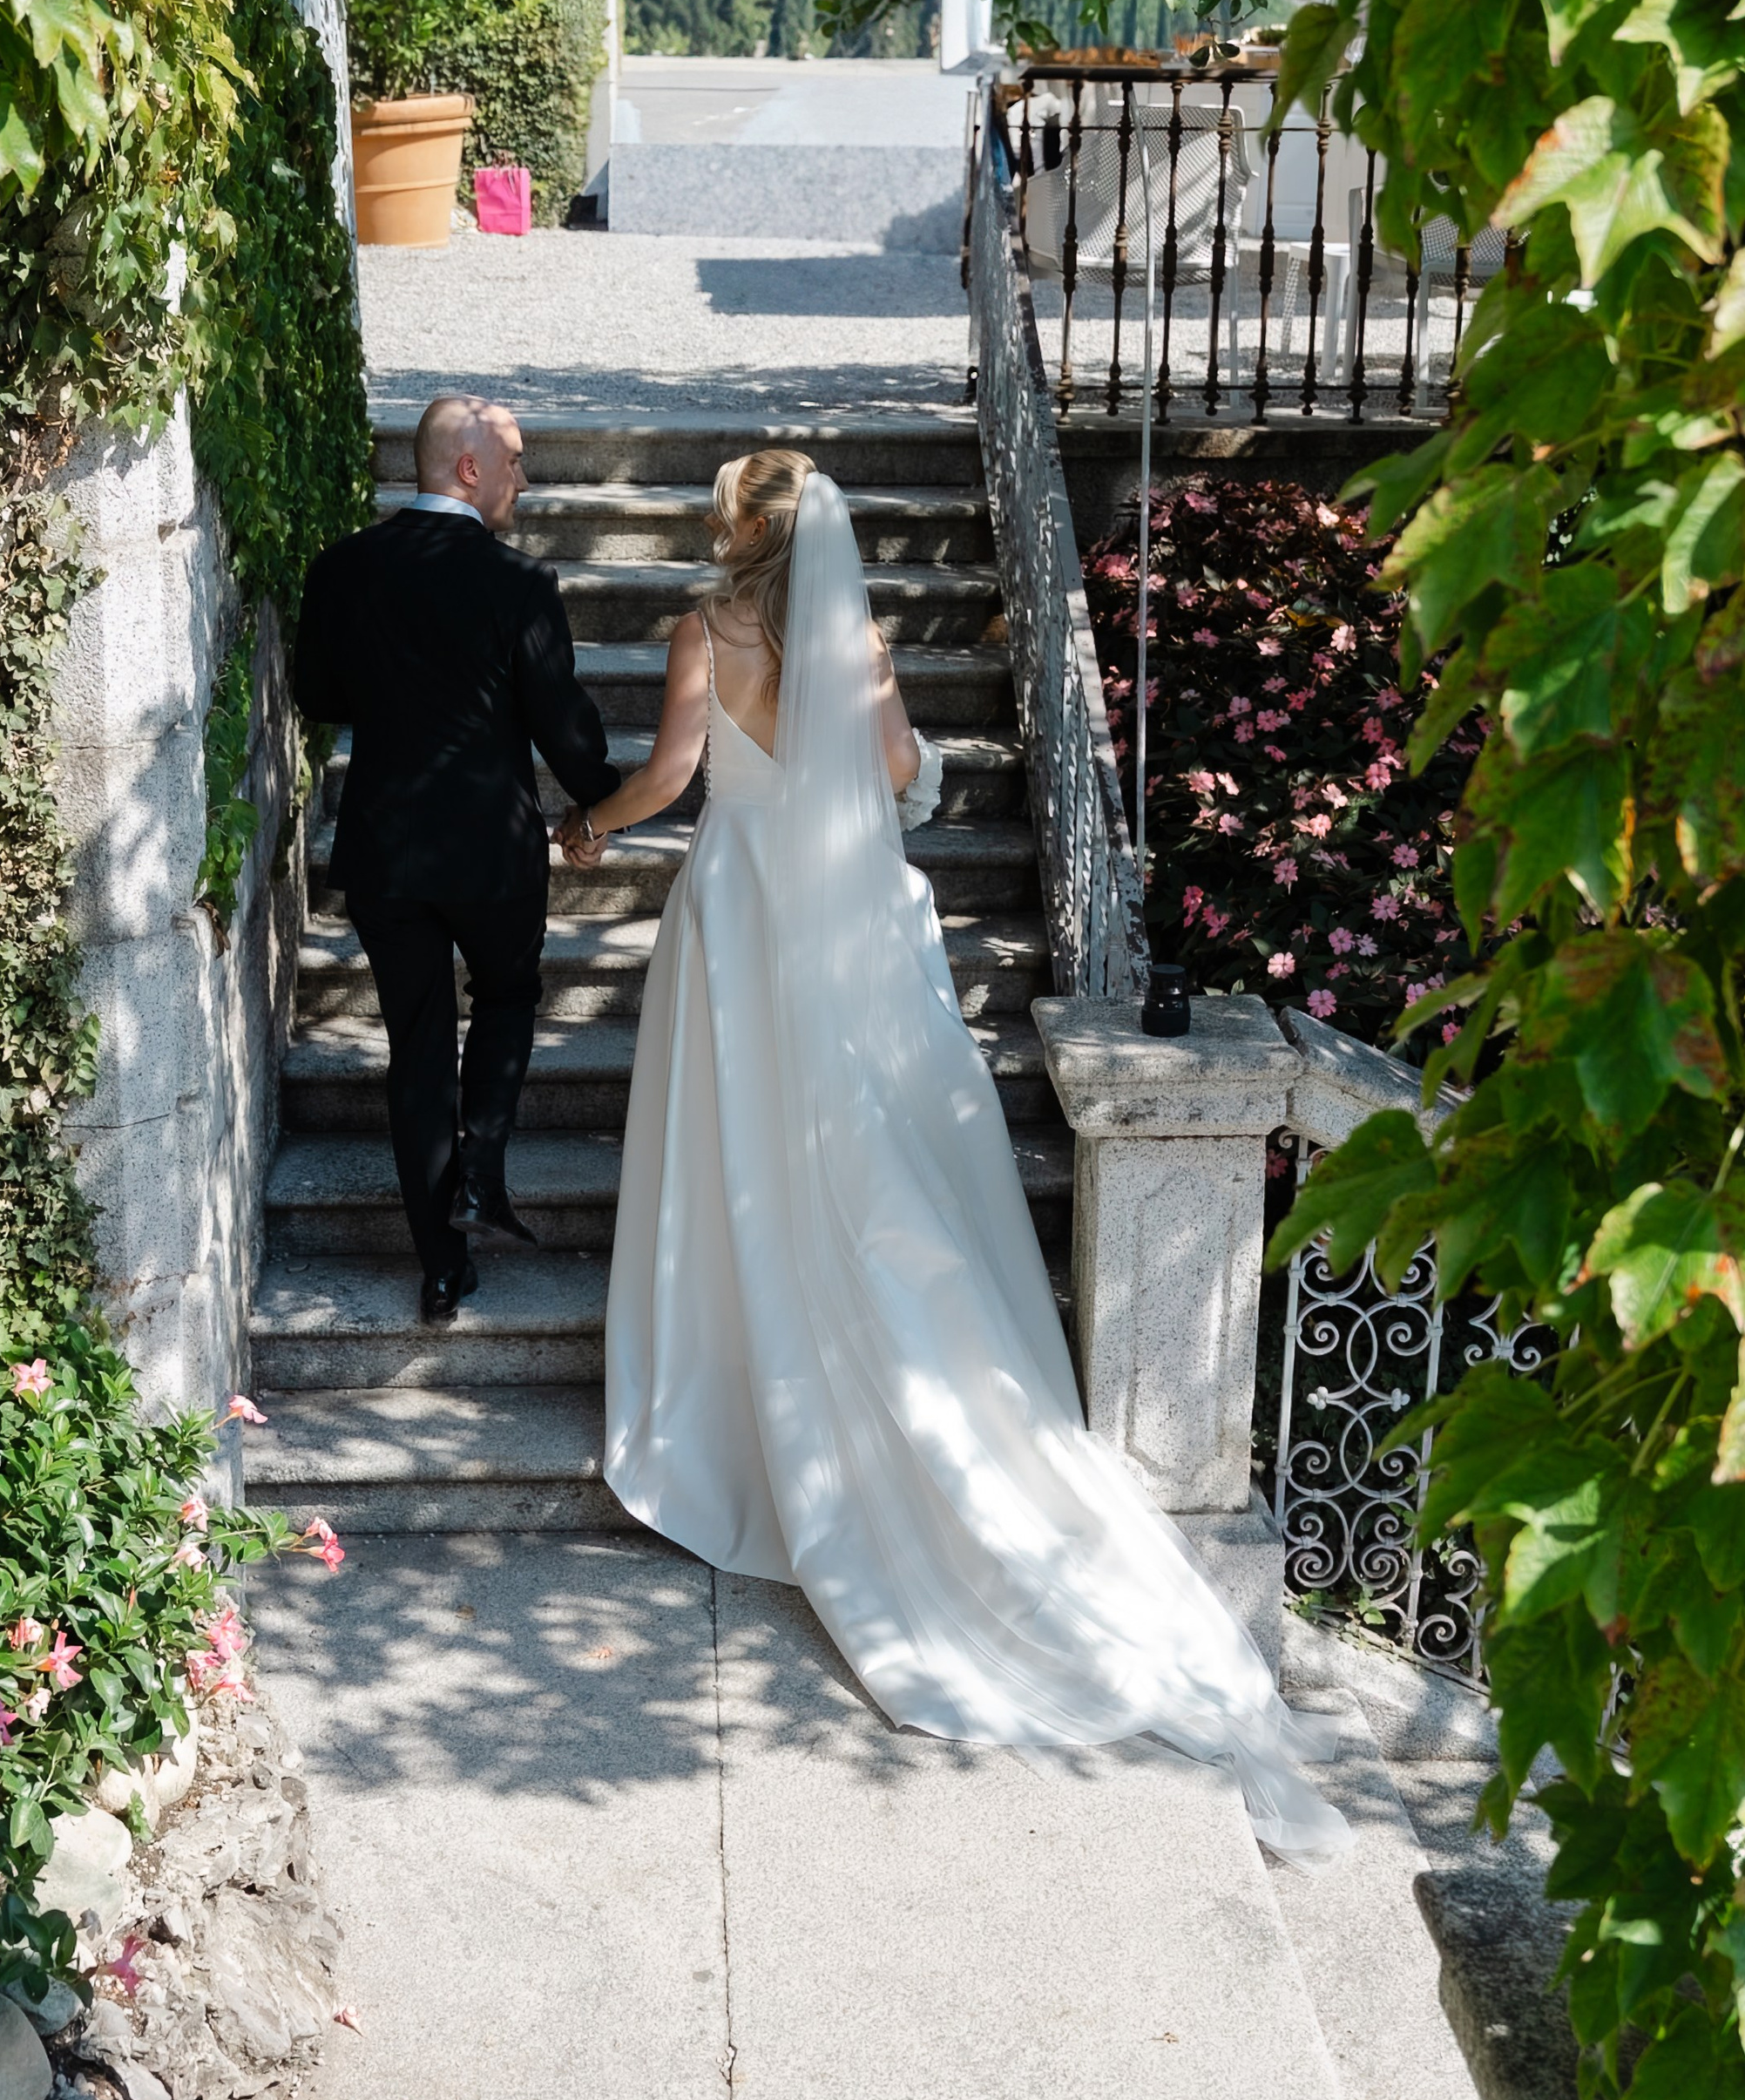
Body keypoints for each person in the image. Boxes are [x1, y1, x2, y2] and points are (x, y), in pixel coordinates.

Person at [561, 453, 1347, 1867]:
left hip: (738, 907)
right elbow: (904, 774)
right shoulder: (855, 637)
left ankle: (729, 1387)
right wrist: (896, 780)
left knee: (734, 1156)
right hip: (847, 915)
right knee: (856, 1162)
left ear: (737, 533)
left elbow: (673, 779)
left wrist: (584, 826)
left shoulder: (703, 632)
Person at [294, 394, 620, 1324]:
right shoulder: (519, 582)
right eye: (515, 460)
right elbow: (564, 728)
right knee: (509, 996)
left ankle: (441, 1270)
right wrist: (601, 802)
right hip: (491, 852)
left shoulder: (341, 566)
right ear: (468, 468)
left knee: (418, 1048)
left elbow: (319, 694)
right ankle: (481, 1170)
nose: (525, 477)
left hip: (387, 852)